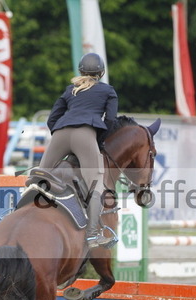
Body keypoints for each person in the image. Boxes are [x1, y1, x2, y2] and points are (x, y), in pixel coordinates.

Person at [40, 52, 118, 248]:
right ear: (101, 72)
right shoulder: (108, 91)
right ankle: (92, 235)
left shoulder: (70, 90)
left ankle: (16, 210)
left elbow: (52, 119)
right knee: (96, 186)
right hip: (85, 135)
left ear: (80, 70)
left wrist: (60, 137)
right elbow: (110, 120)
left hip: (60, 133)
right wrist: (97, 141)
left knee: (39, 177)